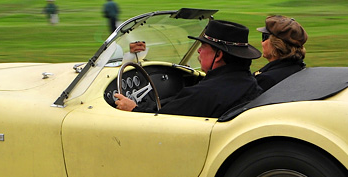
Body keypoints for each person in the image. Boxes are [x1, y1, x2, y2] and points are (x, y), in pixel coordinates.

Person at [114, 19, 262, 118]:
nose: (198, 51)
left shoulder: (204, 93)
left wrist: (133, 108)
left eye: (203, 47)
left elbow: (161, 120)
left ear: (218, 55)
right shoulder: (248, 82)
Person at [255, 15, 308, 90]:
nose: (262, 42)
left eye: (264, 37)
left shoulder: (267, 79)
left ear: (276, 44)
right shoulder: (299, 67)